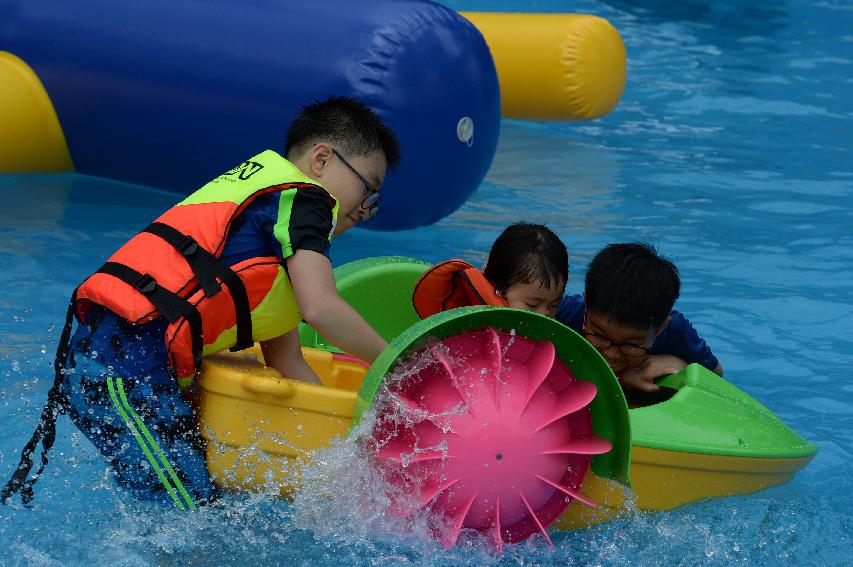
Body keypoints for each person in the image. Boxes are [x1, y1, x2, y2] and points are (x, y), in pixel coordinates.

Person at [2, 96, 401, 508]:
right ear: (321, 159)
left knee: (202, 499)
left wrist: (340, 449)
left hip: (124, 367)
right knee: (187, 513)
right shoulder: (305, 200)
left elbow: (290, 364)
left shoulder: (264, 224)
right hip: (121, 368)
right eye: (367, 187)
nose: (364, 209)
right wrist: (400, 360)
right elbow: (322, 308)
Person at [556, 242, 723, 392]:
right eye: (599, 335)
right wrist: (623, 377)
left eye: (632, 345)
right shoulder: (566, 312)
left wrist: (683, 367)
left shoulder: (674, 332)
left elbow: (716, 378)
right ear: (587, 306)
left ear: (660, 328)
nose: (612, 354)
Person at [413, 222, 567, 319]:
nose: (544, 317)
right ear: (497, 289)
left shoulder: (530, 294)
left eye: (553, 306)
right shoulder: (461, 323)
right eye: (532, 305)